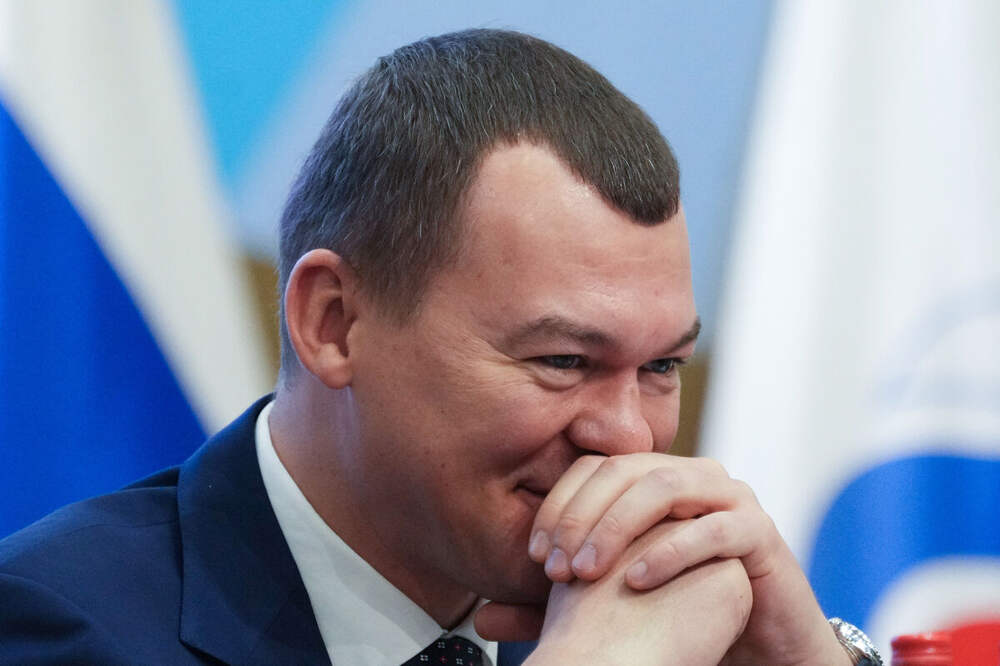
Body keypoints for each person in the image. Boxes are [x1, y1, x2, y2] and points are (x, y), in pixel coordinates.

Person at [0, 29, 879, 665]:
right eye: (563, 362)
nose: (627, 438)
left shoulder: (650, 620)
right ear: (333, 323)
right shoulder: (61, 626)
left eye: (660, 367)